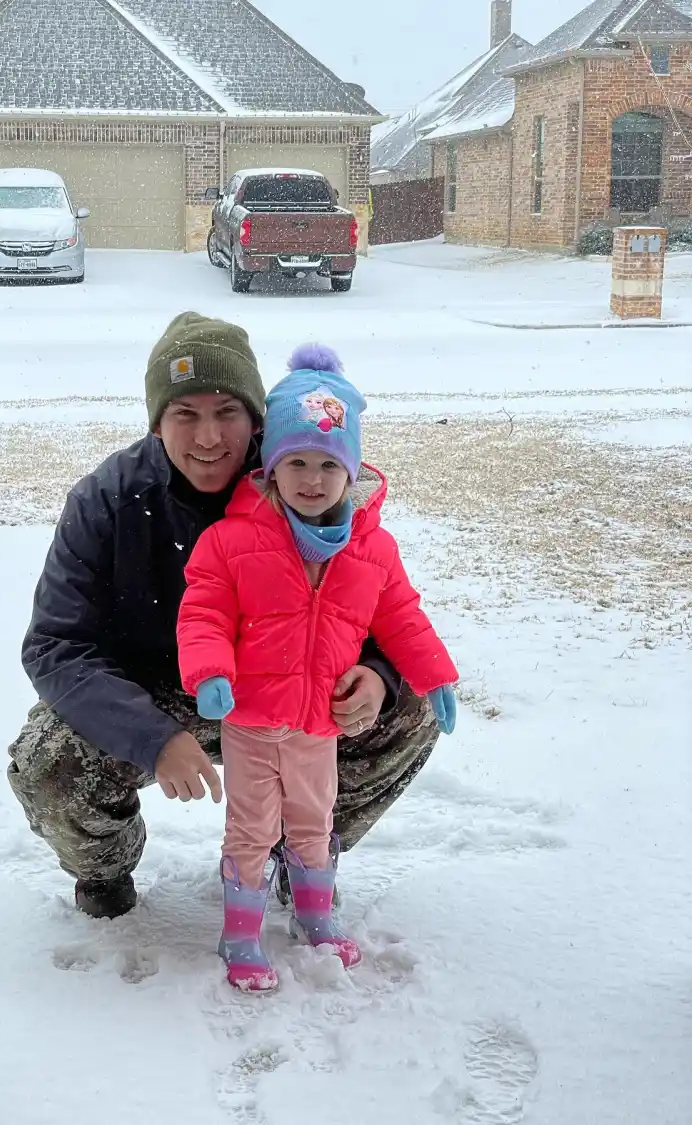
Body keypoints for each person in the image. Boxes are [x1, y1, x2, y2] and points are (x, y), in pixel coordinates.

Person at [8, 312, 446, 922]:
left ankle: (305, 853)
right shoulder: (106, 499)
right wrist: (152, 738)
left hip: (291, 692)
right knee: (46, 762)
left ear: (258, 420)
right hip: (157, 695)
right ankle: (105, 870)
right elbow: (56, 646)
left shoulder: (306, 475)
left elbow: (379, 604)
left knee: (413, 711)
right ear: (157, 421)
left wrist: (379, 675)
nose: (208, 437)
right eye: (185, 414)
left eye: (227, 413)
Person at [177, 344, 458, 991]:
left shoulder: (371, 547)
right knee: (251, 827)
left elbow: (402, 617)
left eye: (327, 463)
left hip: (318, 725)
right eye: (295, 461)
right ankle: (241, 932)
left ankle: (315, 913)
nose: (311, 478)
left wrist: (433, 673)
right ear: (272, 469)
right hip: (250, 720)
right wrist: (210, 672)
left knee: (313, 820)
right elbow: (203, 613)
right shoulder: (234, 539)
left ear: (350, 469)